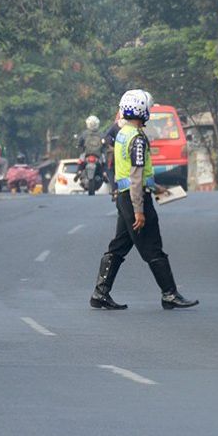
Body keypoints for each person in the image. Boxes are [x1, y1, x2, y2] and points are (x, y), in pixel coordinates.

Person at [89, 89, 197, 311]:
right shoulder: (137, 139)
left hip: (125, 197)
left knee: (119, 245)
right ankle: (169, 294)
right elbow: (136, 176)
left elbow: (133, 174)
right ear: (142, 110)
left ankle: (100, 293)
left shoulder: (122, 134)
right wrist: (139, 210)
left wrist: (156, 187)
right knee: (152, 247)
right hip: (135, 199)